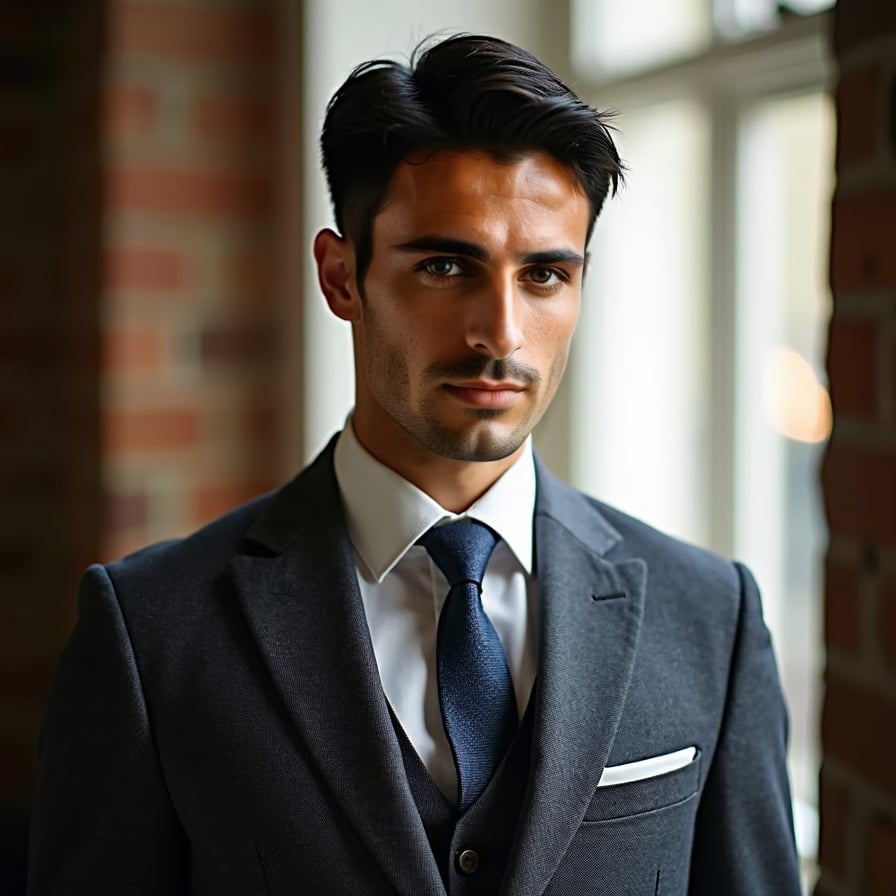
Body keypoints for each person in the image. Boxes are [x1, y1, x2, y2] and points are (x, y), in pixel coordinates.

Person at [28, 34, 802, 896]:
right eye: (444, 265)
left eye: (545, 274)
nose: (501, 334)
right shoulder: (151, 633)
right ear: (341, 275)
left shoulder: (710, 620)